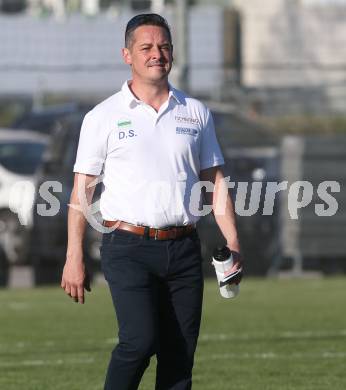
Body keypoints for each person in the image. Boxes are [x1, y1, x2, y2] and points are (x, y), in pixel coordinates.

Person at [61, 13, 242, 390]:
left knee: (179, 356)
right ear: (127, 55)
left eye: (164, 47)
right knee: (139, 342)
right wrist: (74, 256)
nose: (156, 54)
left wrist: (234, 243)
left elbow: (215, 182)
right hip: (127, 248)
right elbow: (82, 193)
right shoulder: (102, 117)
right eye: (146, 47)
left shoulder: (196, 112)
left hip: (185, 248)